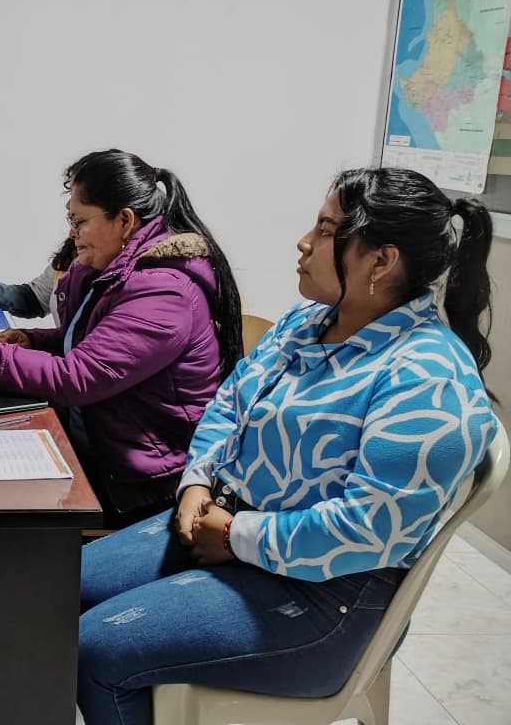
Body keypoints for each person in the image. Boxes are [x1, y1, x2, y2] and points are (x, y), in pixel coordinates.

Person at [76, 167, 500, 725]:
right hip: (232, 523)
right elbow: (230, 403)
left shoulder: (428, 378)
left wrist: (238, 535)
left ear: (380, 260)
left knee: (95, 648)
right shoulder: (308, 321)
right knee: (53, 586)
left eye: (325, 231)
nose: (303, 242)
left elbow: (370, 528)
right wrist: (197, 482)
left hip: (326, 594)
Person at [0, 150, 243, 525]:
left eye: (79, 221)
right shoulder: (111, 271)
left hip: (141, 488)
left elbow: (77, 377)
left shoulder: (164, 292)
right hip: (101, 450)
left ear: (124, 220)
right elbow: (90, 343)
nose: (71, 233)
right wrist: (32, 340)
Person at [0, 237, 76, 321]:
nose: (71, 232)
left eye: (78, 221)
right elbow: (35, 298)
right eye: (70, 220)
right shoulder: (70, 252)